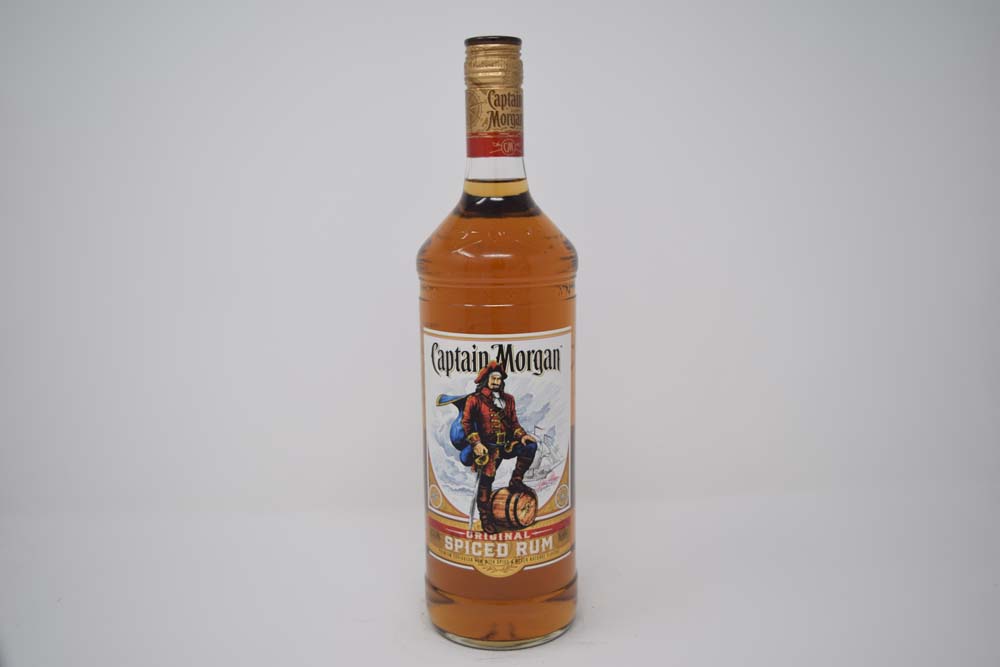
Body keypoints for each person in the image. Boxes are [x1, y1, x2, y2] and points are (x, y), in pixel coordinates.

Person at [460, 361, 538, 533]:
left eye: (499, 379)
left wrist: (522, 435)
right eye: (493, 378)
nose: (496, 382)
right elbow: (466, 423)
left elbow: (514, 423)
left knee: (530, 446)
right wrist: (476, 443)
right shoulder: (474, 399)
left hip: (507, 445)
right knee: (486, 483)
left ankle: (516, 480)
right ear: (486, 380)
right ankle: (485, 518)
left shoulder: (508, 399)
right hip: (488, 449)